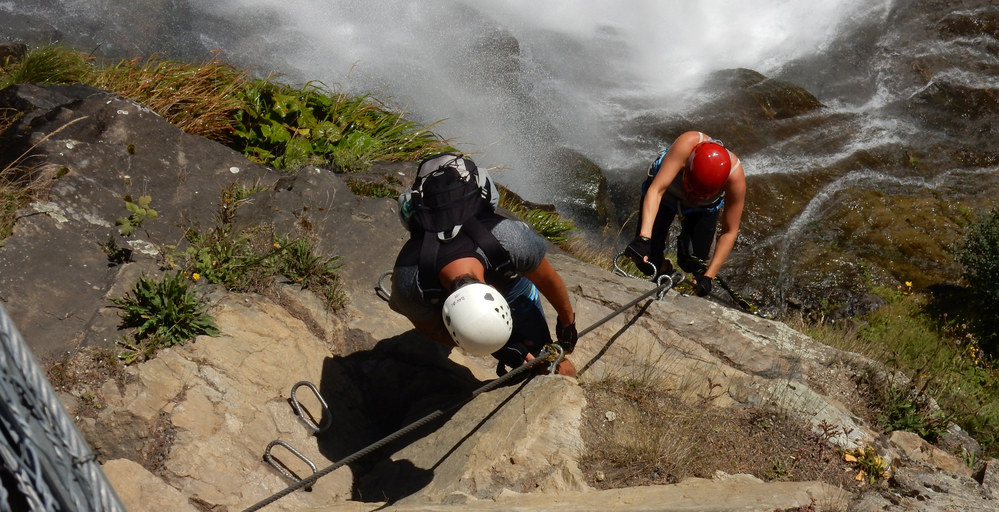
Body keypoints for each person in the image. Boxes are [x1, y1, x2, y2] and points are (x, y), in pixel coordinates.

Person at [389, 155, 578, 377]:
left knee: (550, 365)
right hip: (450, 283)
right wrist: (500, 347)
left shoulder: (511, 241)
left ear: (494, 289)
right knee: (500, 345)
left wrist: (567, 323)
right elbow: (431, 328)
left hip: (503, 270)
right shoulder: (408, 283)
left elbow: (547, 279)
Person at [624, 131, 746, 297]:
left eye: (700, 194)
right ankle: (664, 271)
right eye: (691, 189)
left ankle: (692, 277)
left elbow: (729, 231)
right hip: (666, 194)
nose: (692, 196)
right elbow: (656, 190)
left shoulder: (735, 178)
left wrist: (708, 276)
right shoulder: (686, 145)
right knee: (646, 260)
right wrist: (644, 239)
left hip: (702, 210)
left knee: (695, 264)